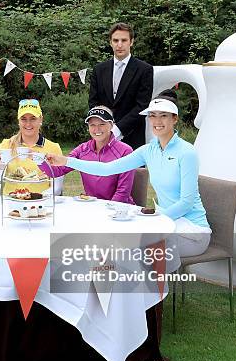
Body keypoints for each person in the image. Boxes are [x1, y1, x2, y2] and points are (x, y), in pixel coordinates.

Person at [46, 91, 211, 257]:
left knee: (133, 251)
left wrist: (155, 218)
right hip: (165, 223)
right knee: (116, 247)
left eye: (164, 116)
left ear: (174, 119)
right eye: (153, 115)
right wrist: (66, 161)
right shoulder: (148, 150)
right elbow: (106, 169)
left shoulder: (187, 152)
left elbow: (187, 203)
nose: (157, 121)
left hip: (192, 230)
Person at [38, 106, 135, 203]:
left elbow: (122, 193)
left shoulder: (125, 151)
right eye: (92, 125)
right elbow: (56, 172)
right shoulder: (82, 149)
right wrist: (37, 158)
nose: (97, 129)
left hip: (120, 211)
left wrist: (107, 212)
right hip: (92, 206)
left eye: (102, 124)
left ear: (112, 125)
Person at [88, 22, 153, 150]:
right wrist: (104, 126)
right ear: (110, 42)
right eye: (115, 40)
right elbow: (93, 102)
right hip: (101, 135)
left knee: (132, 171)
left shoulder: (144, 70)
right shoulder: (99, 70)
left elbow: (142, 105)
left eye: (124, 40)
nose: (119, 44)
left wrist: (118, 129)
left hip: (132, 136)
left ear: (131, 42)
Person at [0, 99, 63, 195]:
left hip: (41, 204)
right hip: (11, 202)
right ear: (18, 121)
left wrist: (36, 198)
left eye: (33, 118)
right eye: (23, 119)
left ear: (41, 119)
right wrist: (0, 166)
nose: (28, 124)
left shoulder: (54, 148)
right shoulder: (6, 145)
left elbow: (57, 187)